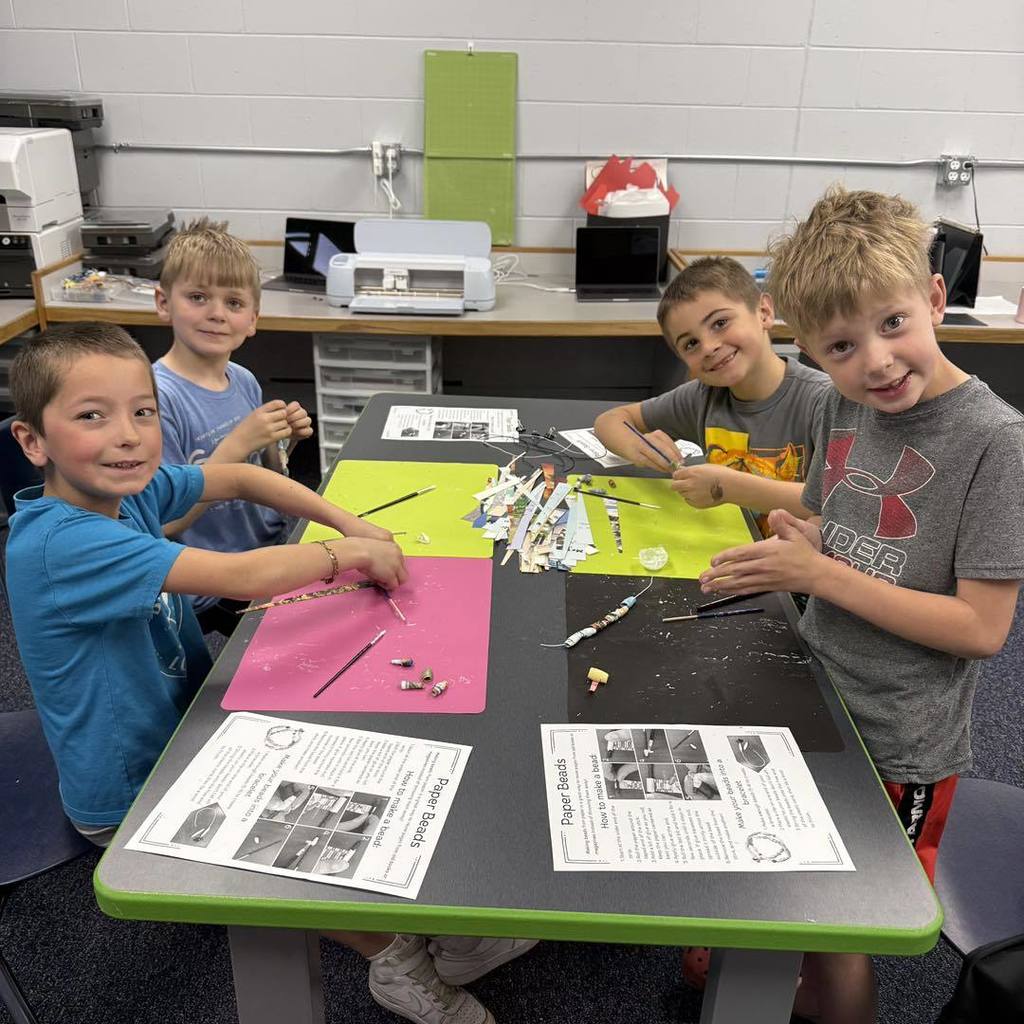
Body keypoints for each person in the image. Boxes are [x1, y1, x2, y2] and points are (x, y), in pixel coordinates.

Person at [5, 322, 533, 1024]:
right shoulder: (62, 543)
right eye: (91, 417)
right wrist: (347, 555)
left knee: (351, 755)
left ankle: (440, 929)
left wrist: (350, 522)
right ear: (32, 441)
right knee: (300, 833)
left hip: (188, 728)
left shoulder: (125, 491)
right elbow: (241, 574)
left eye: (143, 412)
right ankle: (392, 959)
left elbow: (244, 476)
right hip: (131, 786)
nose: (128, 435)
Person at [698, 187, 1024, 1024]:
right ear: (808, 347)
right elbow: (829, 518)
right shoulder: (841, 404)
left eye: (893, 325)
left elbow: (983, 630)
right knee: (791, 887)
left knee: (841, 928)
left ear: (936, 301)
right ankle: (771, 980)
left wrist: (825, 577)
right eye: (841, 345)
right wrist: (798, 540)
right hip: (818, 688)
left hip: (900, 739)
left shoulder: (998, 443)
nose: (875, 362)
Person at [153, 217, 313, 635]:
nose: (217, 314)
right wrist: (237, 445)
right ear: (163, 302)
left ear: (253, 318)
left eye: (234, 303)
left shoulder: (241, 378)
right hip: (216, 579)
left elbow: (267, 475)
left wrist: (282, 442)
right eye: (198, 297)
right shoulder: (153, 400)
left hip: (267, 546)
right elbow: (163, 524)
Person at [593, 256, 830, 534]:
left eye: (720, 323)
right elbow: (609, 420)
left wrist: (726, 488)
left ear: (764, 312)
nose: (708, 347)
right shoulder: (703, 397)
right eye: (691, 343)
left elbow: (838, 504)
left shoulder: (824, 402)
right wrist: (639, 447)